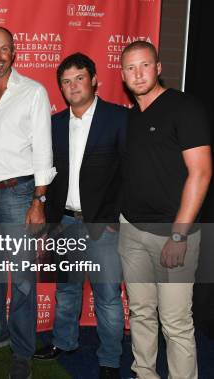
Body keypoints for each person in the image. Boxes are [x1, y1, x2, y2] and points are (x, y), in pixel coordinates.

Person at [0, 27, 56, 379]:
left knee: (22, 279)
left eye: (4, 49)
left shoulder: (33, 92)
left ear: (14, 52)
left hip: (21, 193)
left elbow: (44, 148)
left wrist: (39, 200)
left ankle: (22, 350)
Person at [119, 41, 211, 378]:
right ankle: (144, 372)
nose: (138, 73)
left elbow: (201, 173)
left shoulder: (185, 108)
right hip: (132, 231)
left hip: (173, 235)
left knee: (175, 321)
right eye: (130, 67)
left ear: (158, 67)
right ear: (123, 74)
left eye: (145, 65)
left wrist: (179, 234)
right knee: (142, 313)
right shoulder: (130, 118)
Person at [32, 53, 125, 379]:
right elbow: (45, 170)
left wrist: (115, 218)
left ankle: (111, 360)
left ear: (94, 79)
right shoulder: (54, 124)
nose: (73, 86)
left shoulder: (118, 119)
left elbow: (130, 172)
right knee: (67, 290)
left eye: (79, 78)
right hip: (65, 223)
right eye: (66, 81)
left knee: (108, 298)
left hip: (104, 226)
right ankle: (64, 341)